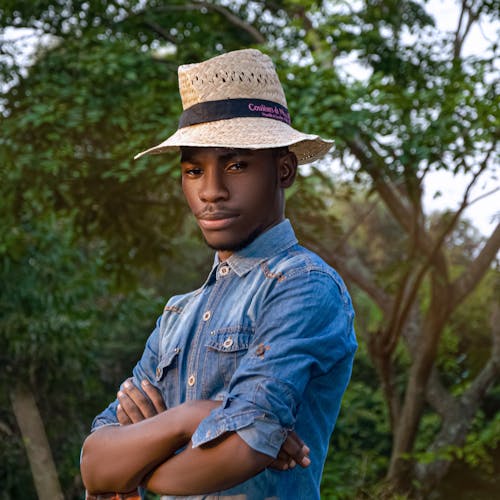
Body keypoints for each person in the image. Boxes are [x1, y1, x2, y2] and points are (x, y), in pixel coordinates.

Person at [80, 48, 357, 499]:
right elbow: (95, 464)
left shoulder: (304, 285)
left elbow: (242, 451)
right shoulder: (177, 314)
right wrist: (195, 418)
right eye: (194, 170)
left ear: (283, 171)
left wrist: (140, 465)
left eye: (236, 165)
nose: (211, 191)